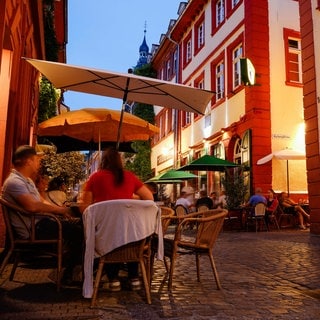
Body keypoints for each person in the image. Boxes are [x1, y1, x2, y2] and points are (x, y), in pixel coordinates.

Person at [1, 145, 83, 284]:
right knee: (80, 232)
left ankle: (71, 270)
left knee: (80, 224)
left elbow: (41, 201)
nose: (39, 163)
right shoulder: (15, 182)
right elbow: (32, 206)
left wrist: (59, 209)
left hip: (41, 224)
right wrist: (60, 211)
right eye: (37, 159)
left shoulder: (26, 180)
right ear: (28, 161)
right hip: (34, 229)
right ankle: (68, 275)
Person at [80, 147, 153, 292]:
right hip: (131, 234)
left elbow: (85, 207)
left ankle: (113, 279)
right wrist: (128, 197)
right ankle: (134, 278)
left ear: (103, 162)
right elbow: (149, 198)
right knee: (131, 233)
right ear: (120, 161)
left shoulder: (95, 177)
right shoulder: (130, 177)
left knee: (106, 233)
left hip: (105, 235)